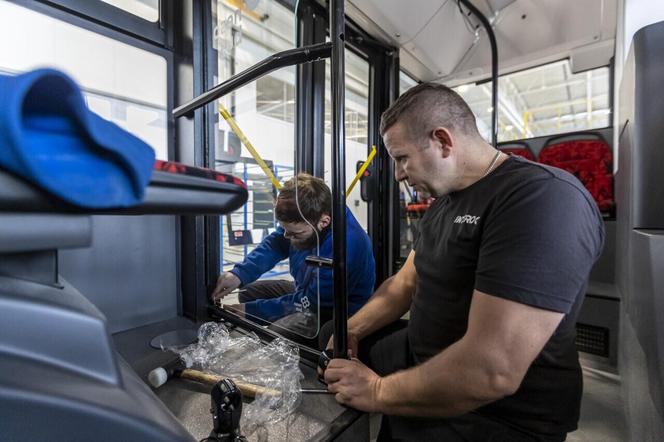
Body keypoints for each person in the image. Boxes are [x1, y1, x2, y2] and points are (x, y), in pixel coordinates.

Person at [321, 83, 604, 441]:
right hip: (425, 367)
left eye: (402, 158)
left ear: (443, 140)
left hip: (496, 415)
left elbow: (493, 370)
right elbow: (406, 283)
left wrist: (377, 392)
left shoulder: (542, 199)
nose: (398, 175)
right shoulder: (445, 202)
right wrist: (352, 329)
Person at [212, 173, 375, 346]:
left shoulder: (347, 245)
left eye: (295, 233)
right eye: (284, 229)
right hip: (307, 290)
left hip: (334, 310)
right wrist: (239, 274)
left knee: (276, 333)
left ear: (324, 222)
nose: (287, 236)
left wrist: (252, 311)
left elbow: (312, 302)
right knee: (248, 292)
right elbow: (276, 244)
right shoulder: (306, 219)